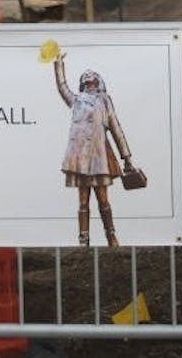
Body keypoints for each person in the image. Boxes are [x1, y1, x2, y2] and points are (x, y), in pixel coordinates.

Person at [53, 51, 137, 247]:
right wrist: (58, 65)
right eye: (86, 79)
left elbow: (115, 127)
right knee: (83, 201)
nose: (90, 81)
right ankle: (84, 239)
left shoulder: (104, 100)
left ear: (99, 83)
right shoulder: (76, 101)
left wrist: (126, 157)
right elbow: (62, 87)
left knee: (103, 199)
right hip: (80, 159)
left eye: (93, 79)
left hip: (99, 157)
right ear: (82, 84)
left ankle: (111, 235)